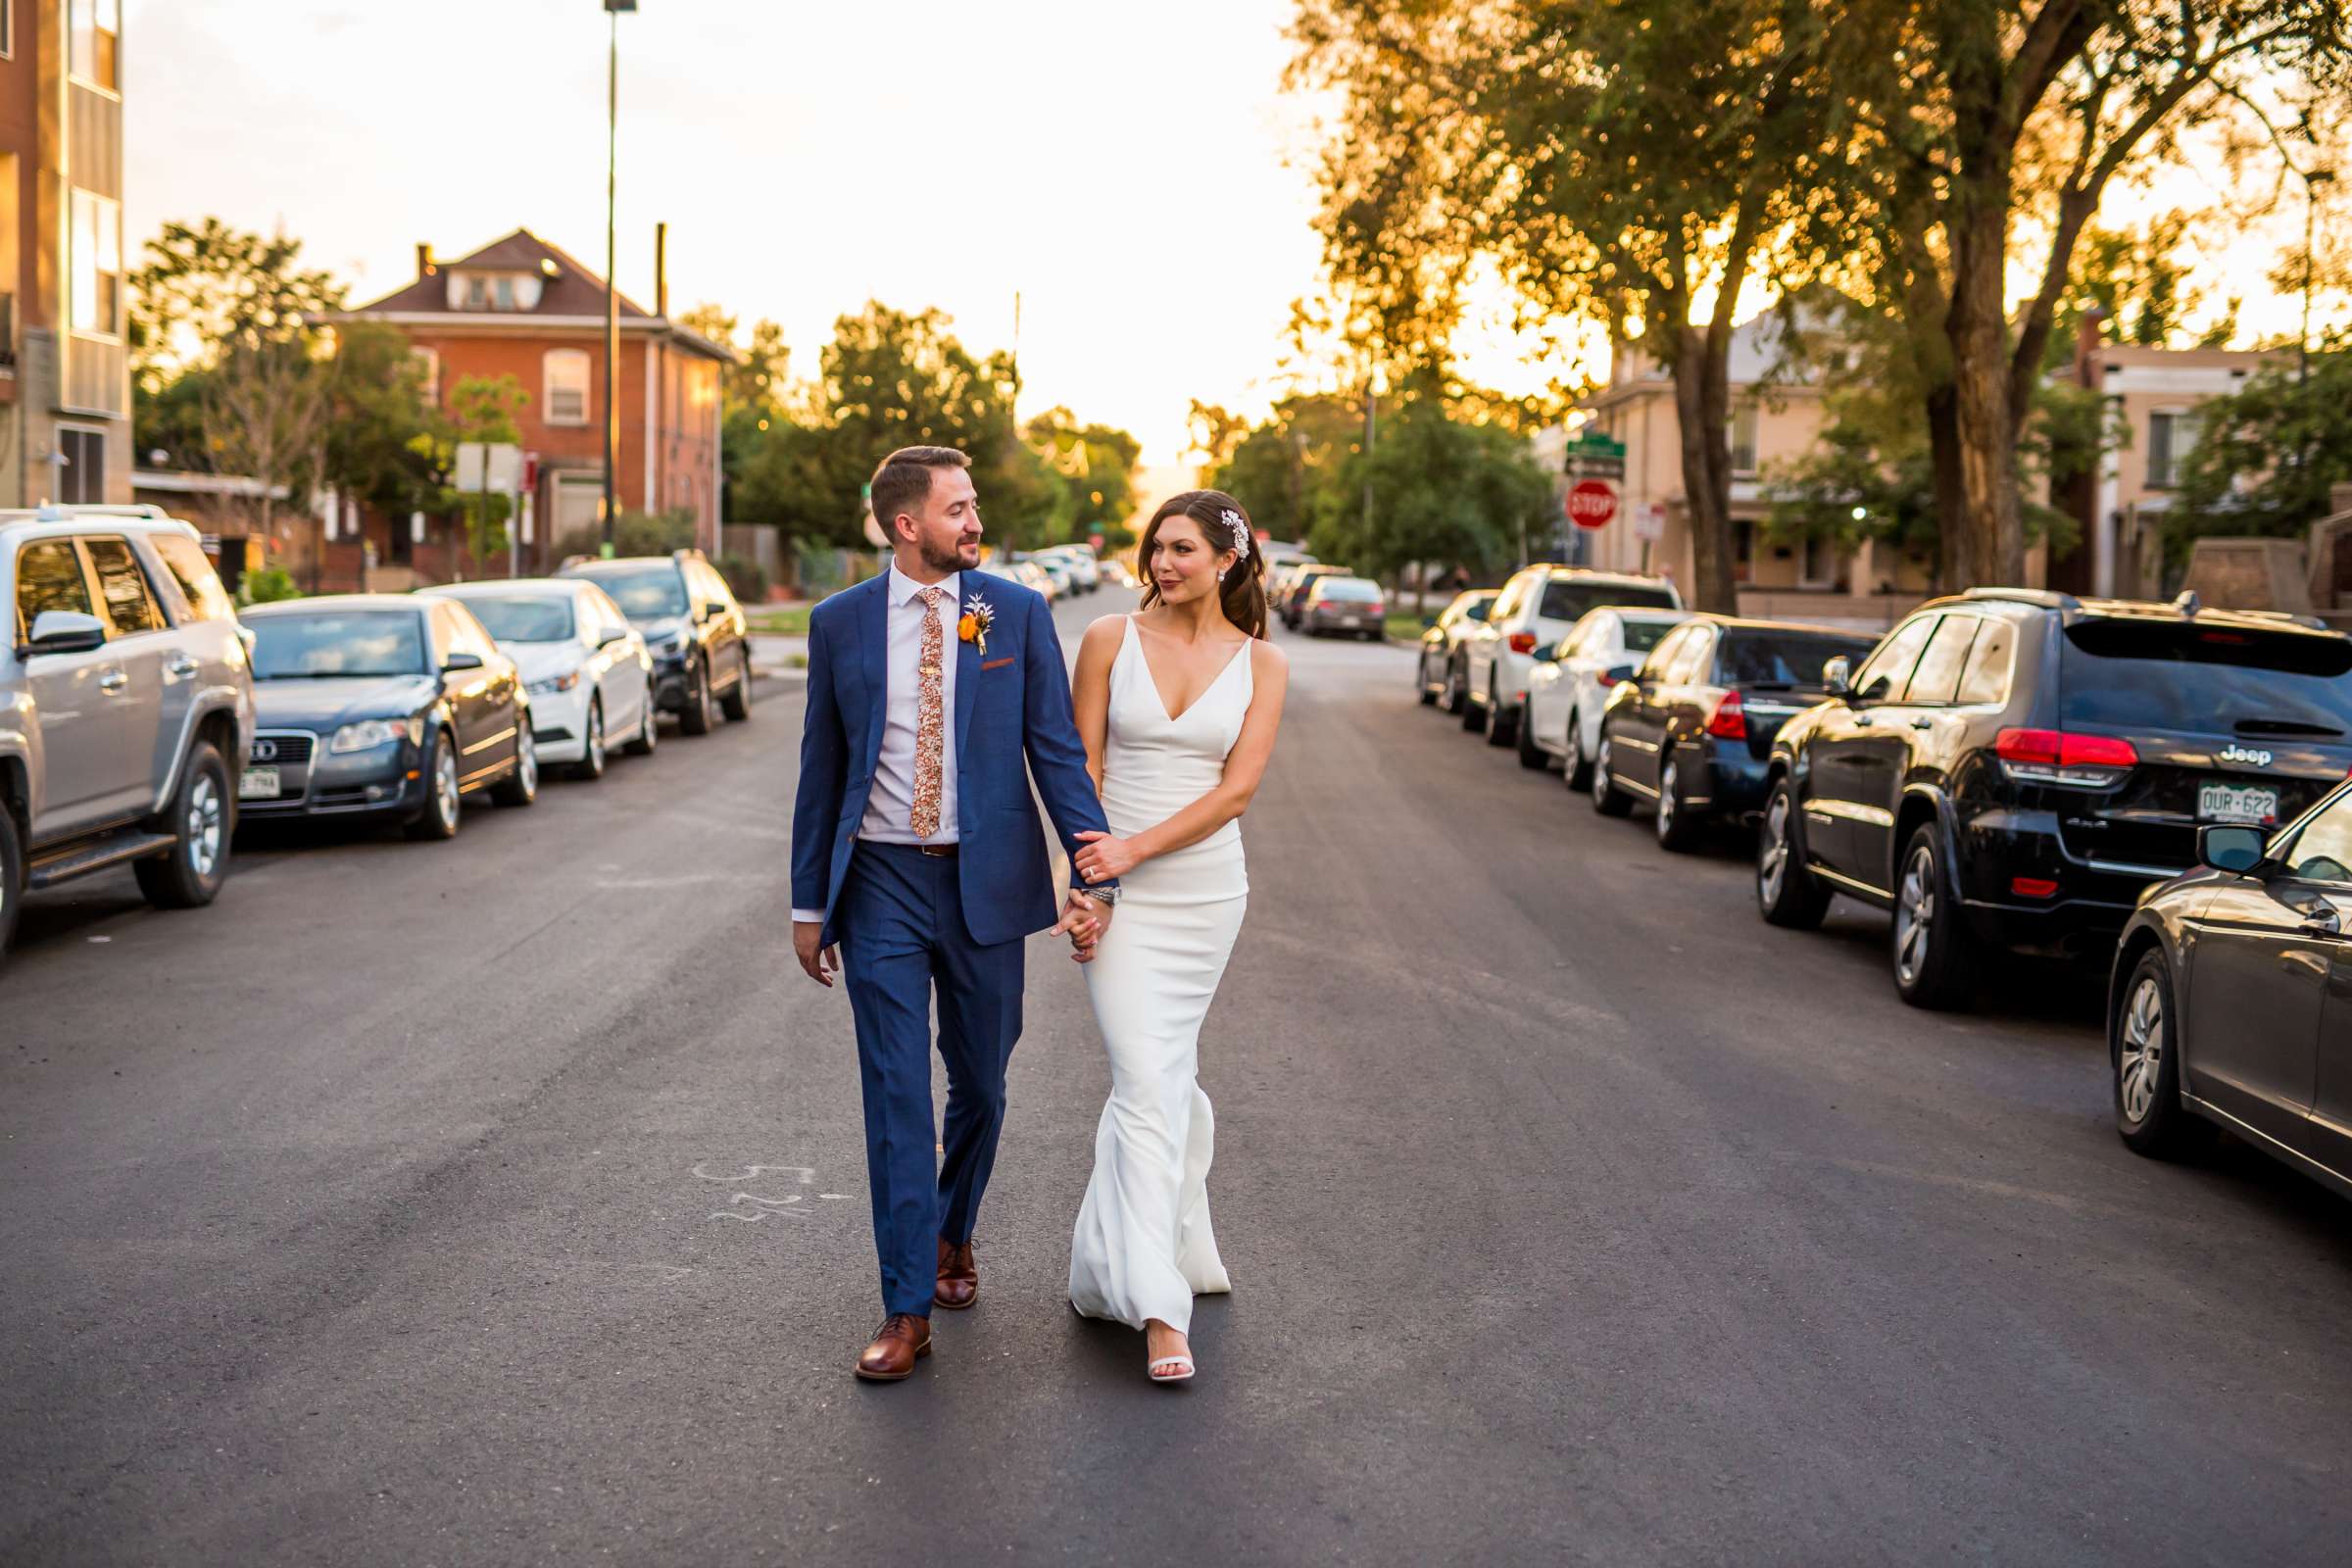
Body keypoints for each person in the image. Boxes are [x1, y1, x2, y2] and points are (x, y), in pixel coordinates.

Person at [789, 445, 1116, 1383]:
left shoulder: (1011, 611)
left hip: (985, 883)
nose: (975, 523)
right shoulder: (838, 623)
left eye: (973, 507)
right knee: (895, 1093)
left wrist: (1093, 865)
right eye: (958, 509)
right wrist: (811, 902)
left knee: (981, 1079)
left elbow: (1054, 749)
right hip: (880, 883)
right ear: (907, 525)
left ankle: (953, 1227)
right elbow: (822, 769)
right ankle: (905, 1306)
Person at [1064, 491, 1290, 1383]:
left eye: (1184, 548)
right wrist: (1091, 880)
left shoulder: (1263, 664)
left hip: (1205, 896)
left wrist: (1135, 848)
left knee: (1166, 1076)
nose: (1164, 563)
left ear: (1227, 559)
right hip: (1119, 894)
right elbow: (1083, 767)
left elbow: (1236, 792)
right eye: (1156, 546)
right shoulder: (1108, 641)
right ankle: (1160, 1304)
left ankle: (1112, 1262)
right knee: (1145, 1079)